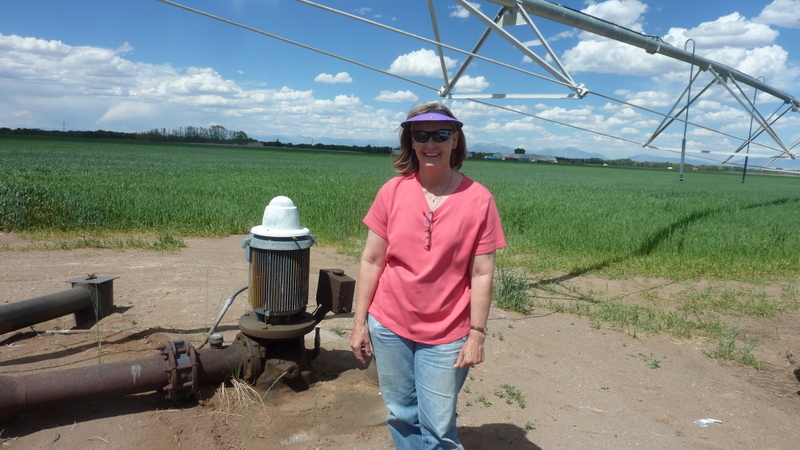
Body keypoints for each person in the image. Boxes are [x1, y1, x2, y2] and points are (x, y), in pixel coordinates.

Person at [350, 102, 506, 449]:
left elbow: (482, 273)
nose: (430, 143)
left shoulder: (479, 200)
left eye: (441, 134)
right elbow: (373, 260)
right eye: (421, 135)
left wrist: (477, 334)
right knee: (402, 414)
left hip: (447, 333)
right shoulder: (392, 191)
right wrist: (360, 322)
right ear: (411, 142)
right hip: (390, 325)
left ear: (455, 140)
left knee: (437, 425)